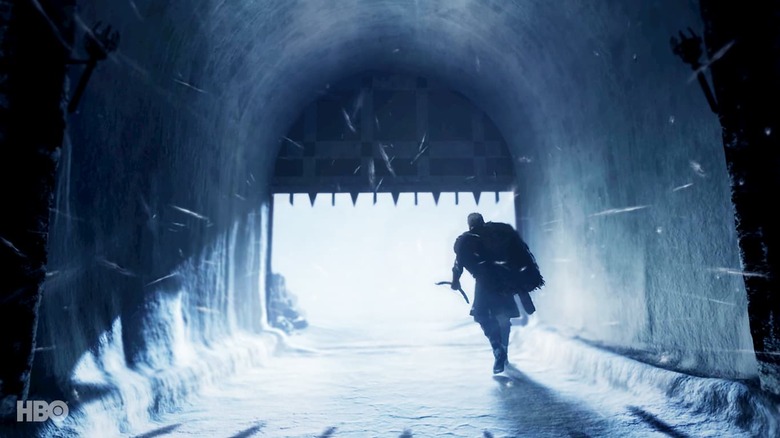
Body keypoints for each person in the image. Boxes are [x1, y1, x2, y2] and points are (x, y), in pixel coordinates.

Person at [450, 212, 544, 374]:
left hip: (484, 284)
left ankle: (497, 347)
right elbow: (518, 255)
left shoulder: (466, 241)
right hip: (505, 282)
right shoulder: (498, 234)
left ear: (469, 224)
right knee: (504, 318)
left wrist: (455, 281)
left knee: (481, 315)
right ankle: (503, 350)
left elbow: (458, 265)